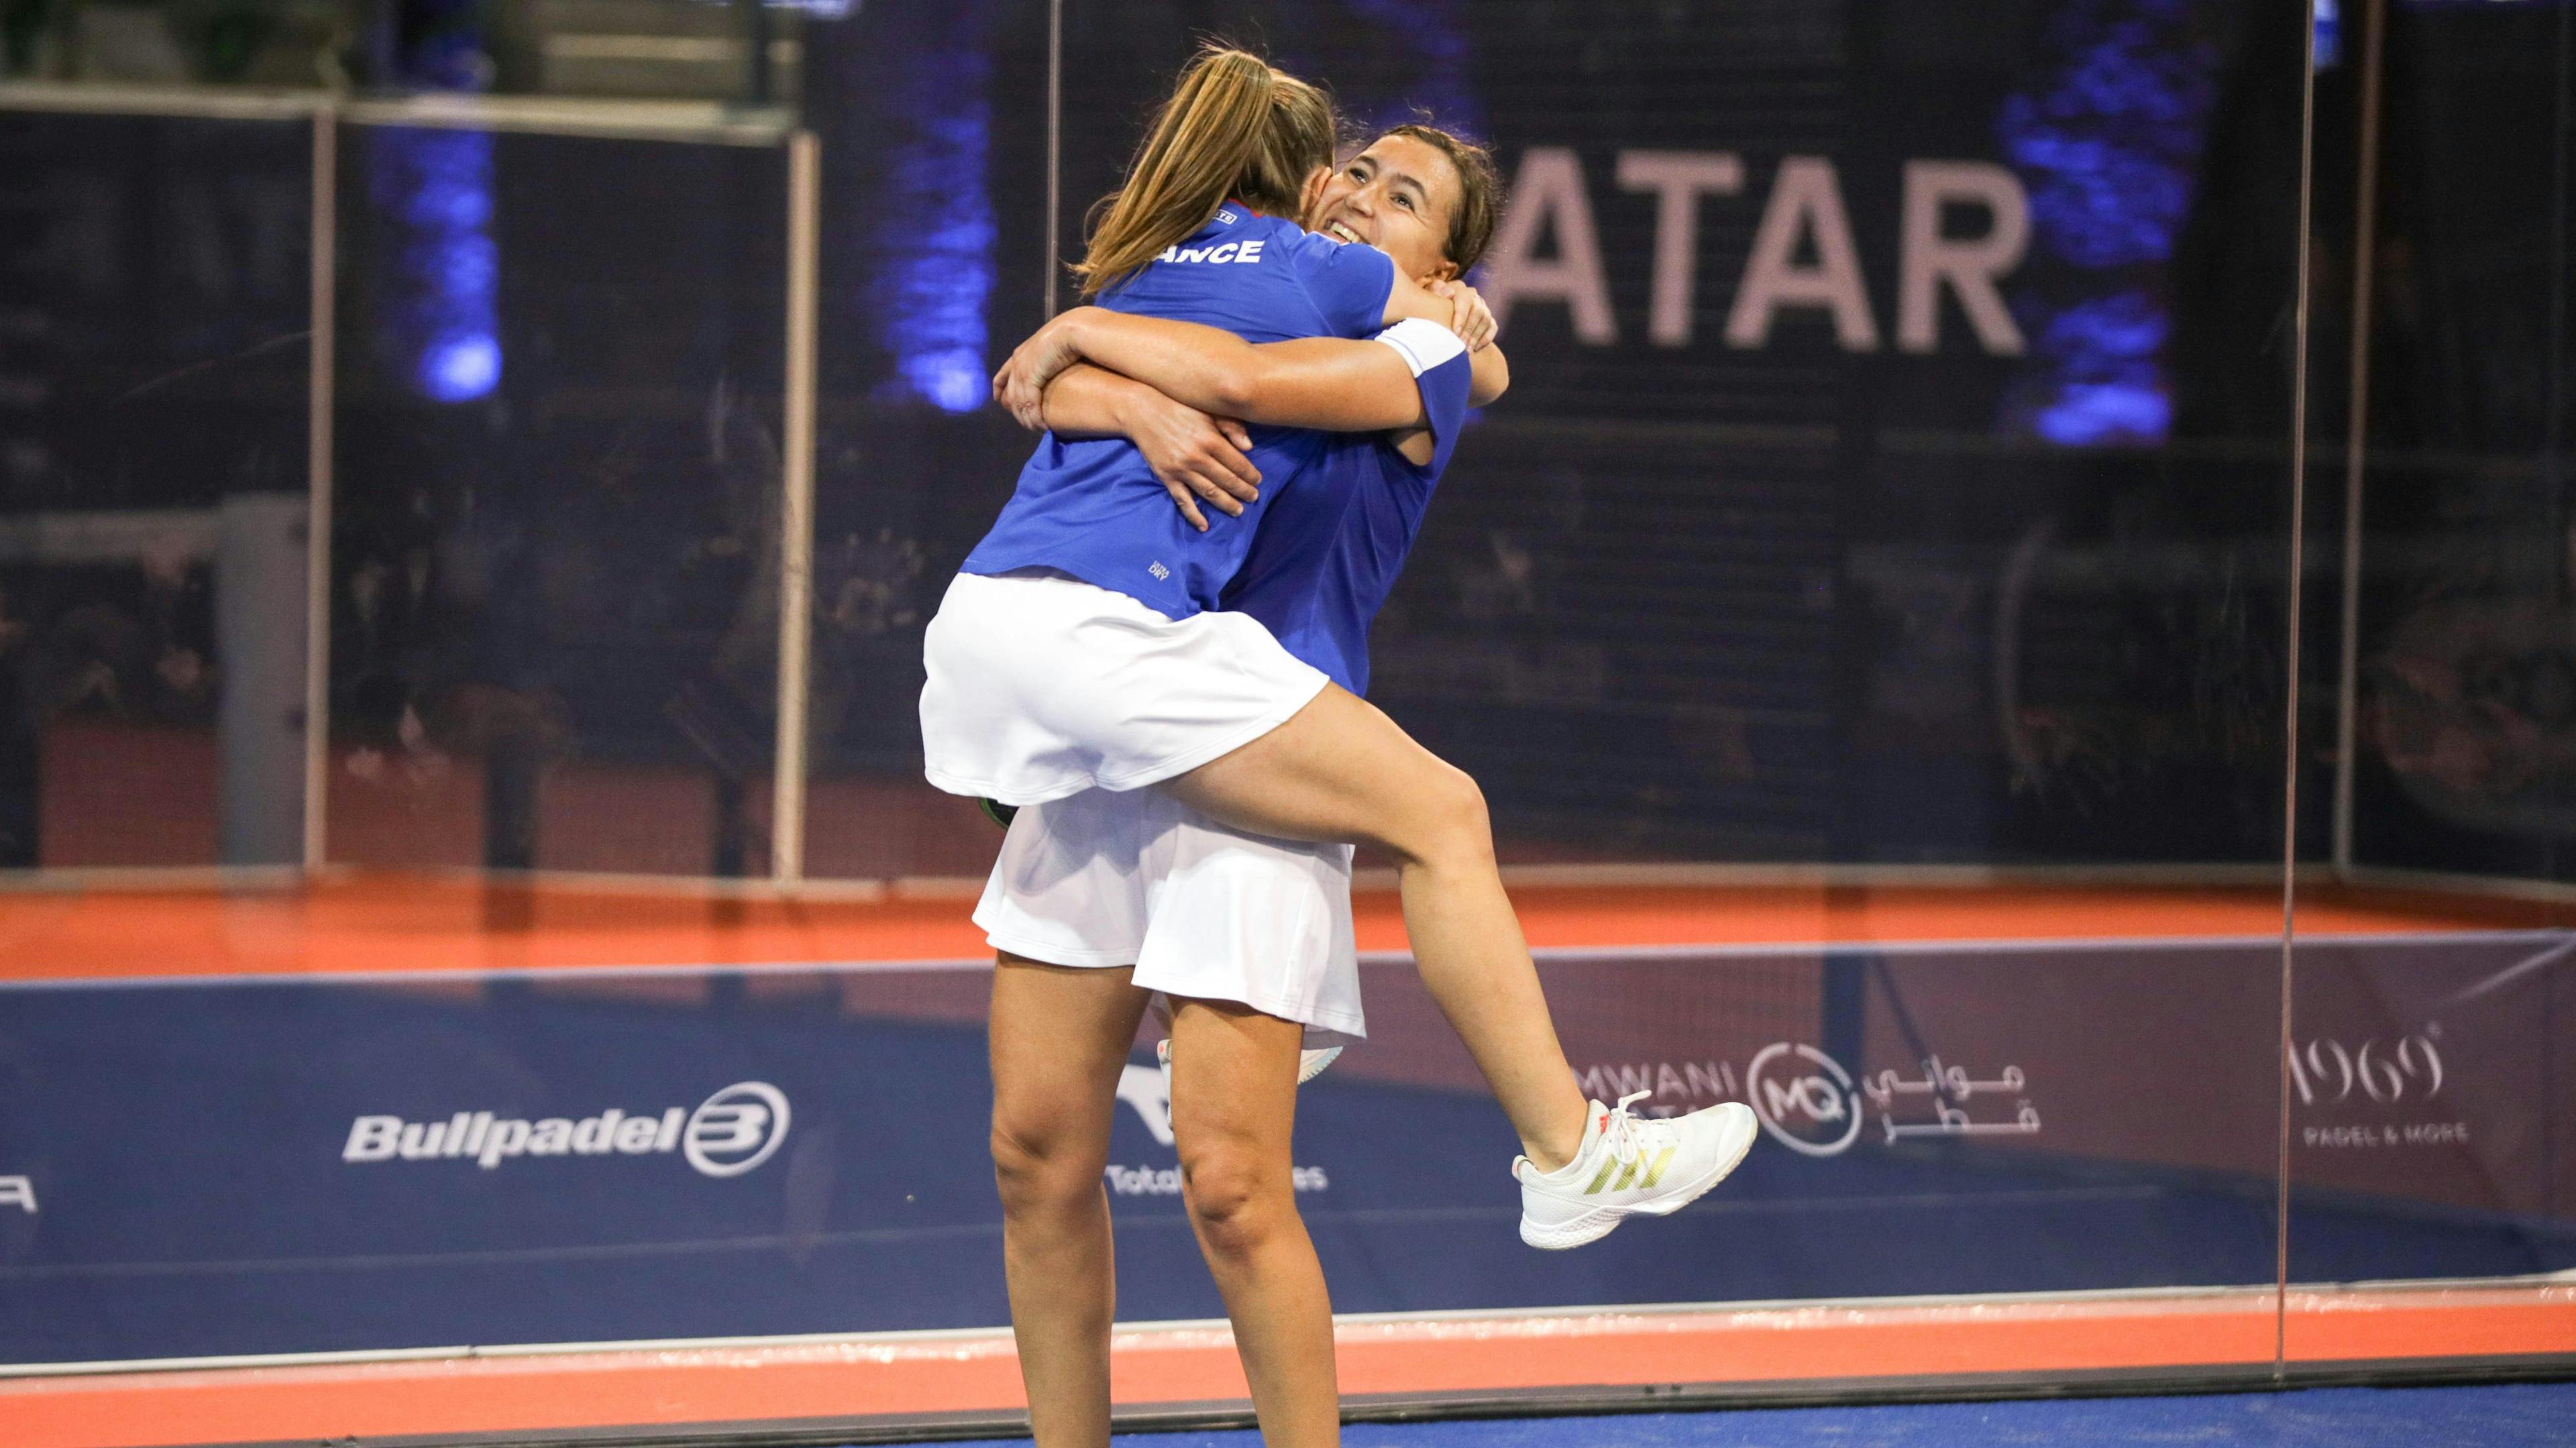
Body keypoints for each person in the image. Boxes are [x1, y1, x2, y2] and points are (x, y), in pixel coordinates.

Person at [929, 54, 1755, 1448]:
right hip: (1130, 697)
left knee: (1234, 1188)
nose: (1370, 194)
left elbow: (1247, 377)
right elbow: (1056, 386)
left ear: (1445, 263)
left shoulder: (1418, 360)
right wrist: (1111, 382)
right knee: (1032, 1151)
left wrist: (1093, 338)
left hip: (1260, 753)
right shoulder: (1250, 279)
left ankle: (1566, 1148)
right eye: (1361, 173)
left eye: (1407, 195)